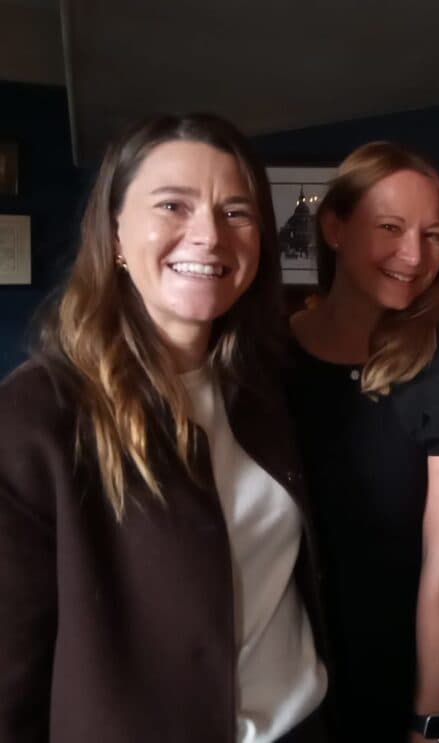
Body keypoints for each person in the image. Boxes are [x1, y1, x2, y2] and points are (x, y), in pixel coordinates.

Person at [0, 113, 328, 742]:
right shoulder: (35, 420)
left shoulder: (268, 387)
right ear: (116, 234)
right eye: (173, 205)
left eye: (236, 212)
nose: (208, 235)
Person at [286, 142, 439, 743]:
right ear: (335, 227)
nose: (414, 256)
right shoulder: (264, 357)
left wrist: (428, 718)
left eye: (433, 235)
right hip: (276, 665)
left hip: (396, 663)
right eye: (390, 227)